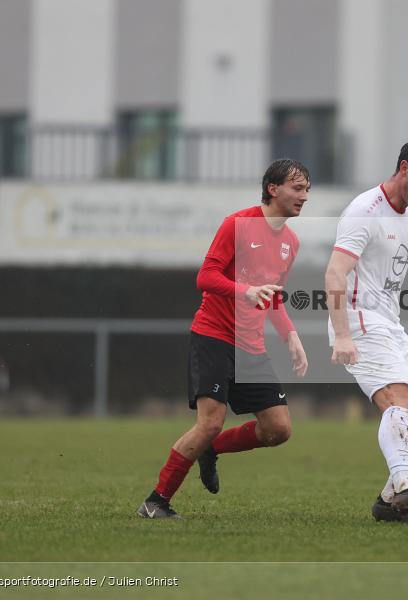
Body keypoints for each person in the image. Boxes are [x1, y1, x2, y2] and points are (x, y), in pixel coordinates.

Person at [137, 159, 311, 519]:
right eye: (297, 188)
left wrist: (291, 335)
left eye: (307, 189)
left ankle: (210, 449)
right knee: (210, 422)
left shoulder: (291, 242)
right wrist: (244, 291)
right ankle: (156, 502)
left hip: (252, 348)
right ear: (272, 189)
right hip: (214, 336)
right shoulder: (237, 224)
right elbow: (206, 277)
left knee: (278, 429)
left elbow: (273, 297)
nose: (304, 196)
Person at [325, 139, 408, 523]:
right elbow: (335, 272)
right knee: (401, 401)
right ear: (404, 168)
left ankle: (391, 499)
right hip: (359, 321)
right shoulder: (365, 210)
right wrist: (343, 334)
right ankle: (404, 484)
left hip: (391, 325)